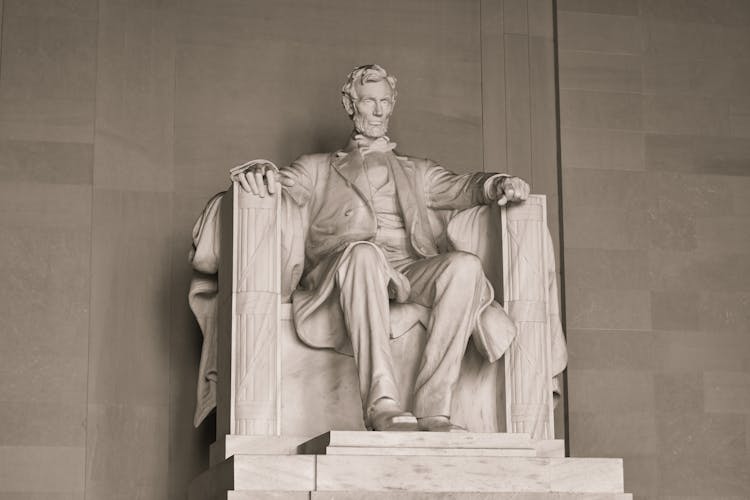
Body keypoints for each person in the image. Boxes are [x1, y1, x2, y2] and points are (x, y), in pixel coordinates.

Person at [232, 64, 529, 432]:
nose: (377, 110)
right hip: (344, 270)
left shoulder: (417, 171)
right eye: (368, 101)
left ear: (393, 104)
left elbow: (464, 186)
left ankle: (434, 408)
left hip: (406, 270)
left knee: (464, 266)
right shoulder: (319, 168)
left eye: (384, 102)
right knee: (363, 253)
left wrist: (499, 184)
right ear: (349, 103)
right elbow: (282, 181)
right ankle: (381, 404)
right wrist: (262, 171)